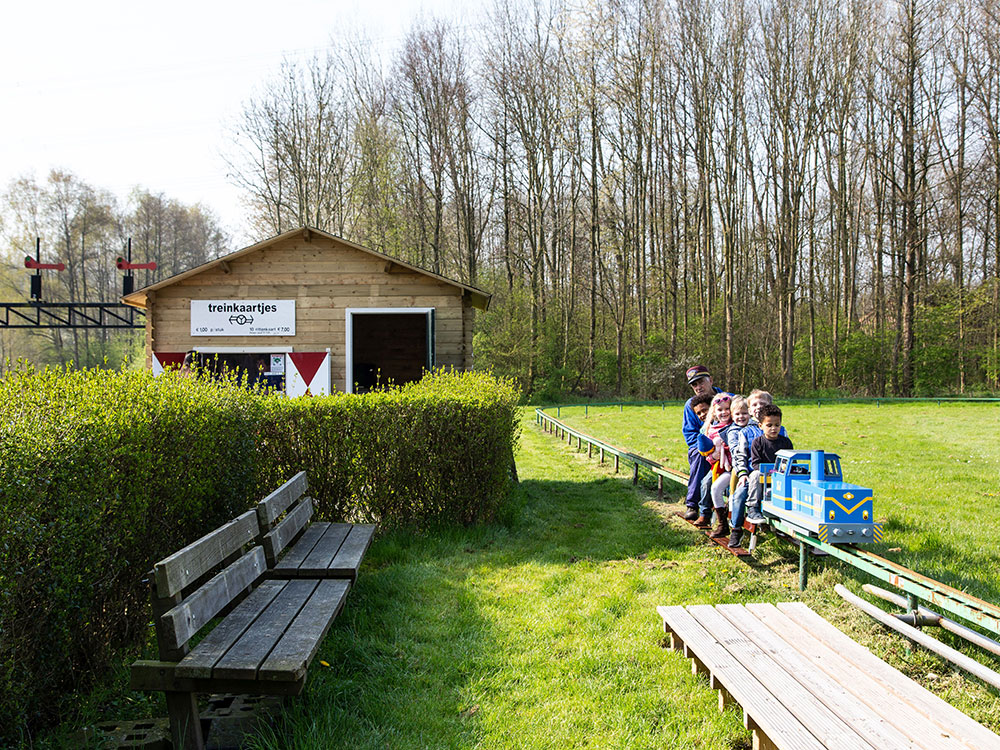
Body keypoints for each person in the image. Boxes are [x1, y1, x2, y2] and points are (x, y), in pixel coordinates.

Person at [731, 390, 787, 526]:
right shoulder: (745, 431)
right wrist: (743, 473)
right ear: (750, 410)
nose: (759, 407)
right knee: (739, 495)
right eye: (755, 405)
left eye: (763, 404)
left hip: (777, 473)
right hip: (753, 474)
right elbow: (740, 456)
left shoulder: (781, 431)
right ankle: (736, 529)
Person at [680, 365, 722, 521]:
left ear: (710, 380)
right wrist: (709, 448)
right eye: (694, 385)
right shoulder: (690, 405)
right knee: (699, 456)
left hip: (727, 445)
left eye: (701, 382)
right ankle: (692, 504)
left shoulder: (727, 398)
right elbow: (690, 436)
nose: (698, 387)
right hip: (703, 447)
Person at [695, 393, 734, 537]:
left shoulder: (736, 424)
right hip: (719, 467)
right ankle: (711, 517)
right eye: (720, 410)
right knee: (708, 484)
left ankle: (732, 523)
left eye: (727, 409)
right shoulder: (710, 430)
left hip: (735, 467)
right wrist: (713, 456)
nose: (724, 412)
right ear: (714, 412)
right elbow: (706, 453)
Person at [747, 404, 794, 520]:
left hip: (782, 473)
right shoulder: (757, 443)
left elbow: (792, 461)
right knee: (755, 475)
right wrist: (770, 470)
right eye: (769, 425)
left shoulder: (786, 442)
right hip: (764, 473)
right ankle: (752, 506)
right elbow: (755, 463)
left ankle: (789, 505)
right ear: (760, 426)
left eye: (777, 425)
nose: (773, 428)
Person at [723, 396, 751, 547]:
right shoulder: (733, 431)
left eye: (744, 413)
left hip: (754, 466)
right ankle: (735, 527)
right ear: (732, 416)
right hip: (738, 467)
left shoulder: (755, 428)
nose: (741, 417)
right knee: (738, 492)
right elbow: (736, 452)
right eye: (738, 414)